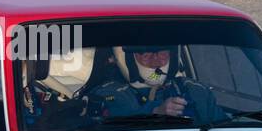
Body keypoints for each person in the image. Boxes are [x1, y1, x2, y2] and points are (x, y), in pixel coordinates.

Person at [86, 45, 226, 123]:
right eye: (146, 55)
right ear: (125, 58)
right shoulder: (107, 96)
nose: (156, 61)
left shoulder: (196, 91)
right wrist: (155, 113)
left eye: (162, 53)